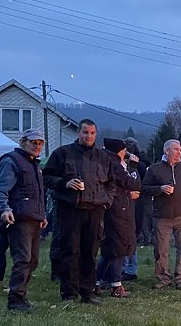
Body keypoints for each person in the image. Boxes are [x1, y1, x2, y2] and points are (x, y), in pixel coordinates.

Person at [42, 118, 122, 305]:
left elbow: (112, 183)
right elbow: (46, 178)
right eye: (85, 132)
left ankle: (87, 292)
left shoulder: (103, 158)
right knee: (70, 251)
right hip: (70, 209)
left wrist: (106, 202)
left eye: (92, 133)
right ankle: (69, 293)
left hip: (95, 209)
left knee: (90, 252)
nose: (88, 136)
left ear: (96, 134)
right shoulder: (62, 153)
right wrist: (65, 183)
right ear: (78, 132)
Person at [0, 129, 48, 311]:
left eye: (40, 143)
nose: (37, 146)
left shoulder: (34, 164)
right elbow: (0, 189)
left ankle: (21, 295)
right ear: (23, 142)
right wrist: (4, 209)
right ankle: (15, 298)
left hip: (34, 218)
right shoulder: (12, 161)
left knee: (33, 261)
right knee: (23, 259)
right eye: (33, 142)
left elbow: (38, 194)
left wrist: (42, 215)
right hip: (19, 218)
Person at [141, 139, 181, 290]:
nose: (179, 152)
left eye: (180, 149)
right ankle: (163, 277)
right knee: (161, 249)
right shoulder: (154, 169)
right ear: (167, 151)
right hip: (162, 216)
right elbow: (144, 188)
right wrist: (160, 189)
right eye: (176, 149)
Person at [96, 138, 142, 298]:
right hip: (117, 210)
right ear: (119, 151)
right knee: (118, 248)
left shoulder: (106, 162)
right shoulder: (114, 164)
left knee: (109, 251)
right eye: (124, 151)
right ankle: (116, 285)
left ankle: (96, 282)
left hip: (114, 208)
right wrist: (133, 167)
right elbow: (133, 183)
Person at [122, 137, 148, 280]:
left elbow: (134, 181)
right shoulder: (144, 162)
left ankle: (128, 267)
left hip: (134, 200)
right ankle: (130, 267)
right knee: (131, 234)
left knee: (127, 234)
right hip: (139, 201)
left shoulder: (137, 164)